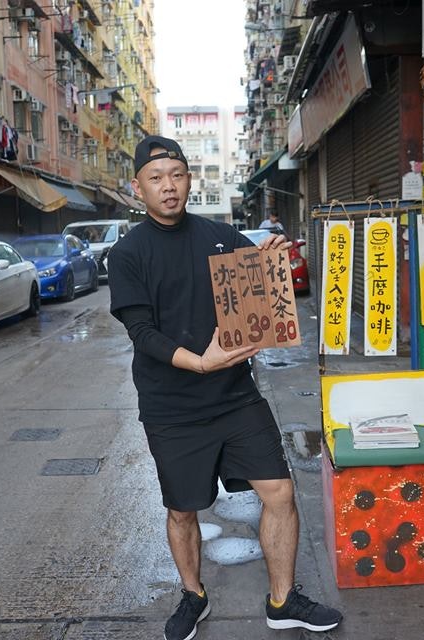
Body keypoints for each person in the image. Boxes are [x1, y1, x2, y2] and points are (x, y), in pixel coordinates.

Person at [108, 135, 342, 640]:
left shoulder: (221, 236)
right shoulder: (127, 254)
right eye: (156, 179)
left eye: (176, 175)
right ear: (137, 188)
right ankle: (193, 596)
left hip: (236, 398)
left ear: (190, 179)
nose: (168, 187)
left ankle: (282, 601)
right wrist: (198, 361)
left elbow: (258, 295)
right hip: (170, 406)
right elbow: (141, 333)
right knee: (182, 509)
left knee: (279, 492)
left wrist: (271, 260)